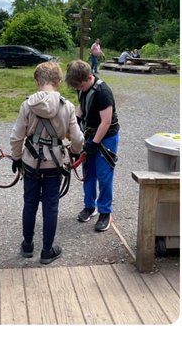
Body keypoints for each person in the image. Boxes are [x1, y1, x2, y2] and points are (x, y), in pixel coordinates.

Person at [9, 61, 85, 265]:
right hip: (54, 164)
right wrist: (75, 153)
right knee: (51, 207)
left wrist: (17, 158)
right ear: (58, 81)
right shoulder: (67, 106)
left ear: (37, 82)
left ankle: (27, 245)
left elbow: (16, 137)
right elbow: (77, 139)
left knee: (30, 204)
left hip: (31, 163)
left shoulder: (27, 105)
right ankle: (47, 250)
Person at [65, 59, 119, 233]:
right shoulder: (83, 89)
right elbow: (82, 106)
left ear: (89, 77)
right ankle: (90, 206)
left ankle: (105, 212)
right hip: (89, 135)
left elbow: (106, 121)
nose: (79, 89)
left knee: (104, 176)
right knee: (88, 174)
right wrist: (77, 120)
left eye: (80, 86)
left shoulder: (103, 92)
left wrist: (94, 144)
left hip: (106, 138)